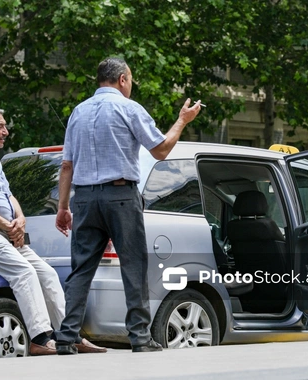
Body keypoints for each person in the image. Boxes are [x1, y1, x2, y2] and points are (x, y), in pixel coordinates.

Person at [53, 57, 202, 354]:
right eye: (131, 79)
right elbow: (160, 150)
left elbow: (67, 165)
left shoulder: (78, 113)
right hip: (120, 197)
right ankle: (139, 337)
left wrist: (62, 206)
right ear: (122, 79)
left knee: (81, 270)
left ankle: (67, 337)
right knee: (133, 266)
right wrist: (182, 120)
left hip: (83, 199)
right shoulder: (129, 108)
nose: (131, 85)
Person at [0, 105, 106, 355]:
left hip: (5, 232)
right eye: (0, 126)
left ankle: (69, 335)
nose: (6, 132)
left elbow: (8, 195)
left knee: (47, 274)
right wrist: (9, 226)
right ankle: (40, 339)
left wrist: (20, 219)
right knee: (24, 273)